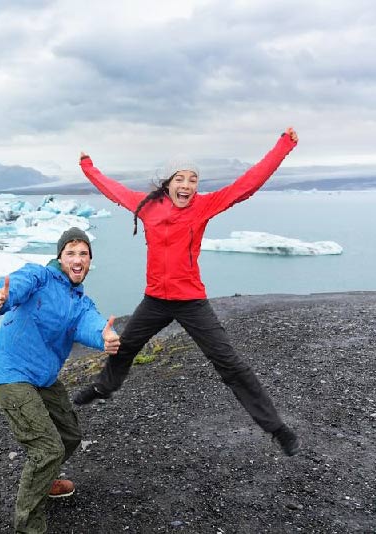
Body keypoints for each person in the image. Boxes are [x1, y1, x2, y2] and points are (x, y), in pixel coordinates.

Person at [74, 128, 302, 457]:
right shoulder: (147, 206)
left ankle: (277, 429)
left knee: (230, 363)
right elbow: (113, 190)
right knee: (123, 347)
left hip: (191, 300)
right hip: (155, 299)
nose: (186, 185)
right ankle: (104, 387)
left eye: (193, 179)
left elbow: (247, 184)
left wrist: (284, 145)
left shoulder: (204, 206)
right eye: (180, 178)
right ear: (167, 182)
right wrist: (88, 167)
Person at [0, 227, 121, 534]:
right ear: (60, 257)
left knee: (69, 436)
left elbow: (92, 324)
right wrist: (2, 298)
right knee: (47, 450)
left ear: (89, 261)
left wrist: (106, 337)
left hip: (43, 377)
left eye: (83, 254)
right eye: (71, 252)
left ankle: (45, 482)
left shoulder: (80, 302)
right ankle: (28, 527)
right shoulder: (40, 277)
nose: (77, 259)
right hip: (12, 373)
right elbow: (17, 285)